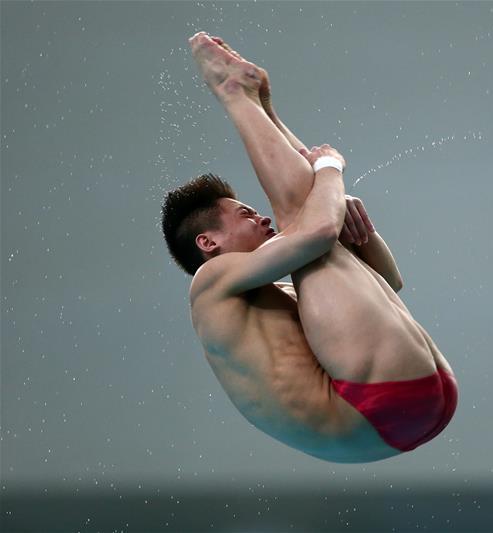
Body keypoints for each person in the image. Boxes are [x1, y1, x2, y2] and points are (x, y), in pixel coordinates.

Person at [160, 32, 457, 463]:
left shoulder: (281, 295)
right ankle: (235, 96)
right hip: (375, 407)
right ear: (208, 243)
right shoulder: (210, 282)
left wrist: (344, 213)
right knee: (308, 222)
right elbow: (314, 231)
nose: (259, 216)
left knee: (312, 220)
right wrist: (330, 170)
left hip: (408, 405)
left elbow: (389, 281)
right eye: (244, 214)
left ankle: (256, 104)